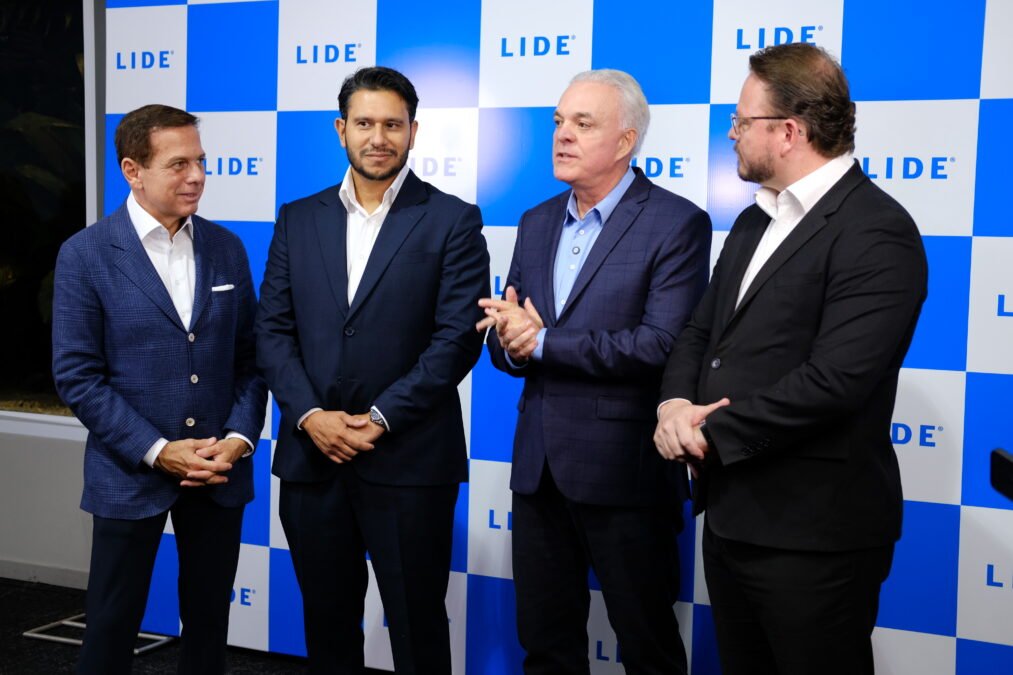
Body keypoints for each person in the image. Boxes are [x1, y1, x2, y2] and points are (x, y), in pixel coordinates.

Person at [654, 43, 928, 675]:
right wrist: (673, 405)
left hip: (815, 535)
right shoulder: (755, 221)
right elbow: (700, 332)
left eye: (741, 121)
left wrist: (709, 434)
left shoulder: (877, 229)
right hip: (733, 519)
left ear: (789, 131)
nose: (731, 133)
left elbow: (837, 381)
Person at [256, 66, 489, 674]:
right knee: (327, 626)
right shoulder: (298, 217)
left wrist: (380, 418)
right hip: (313, 461)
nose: (378, 138)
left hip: (410, 461)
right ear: (341, 130)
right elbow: (272, 331)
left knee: (417, 626)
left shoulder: (453, 219)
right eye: (364, 123)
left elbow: (456, 341)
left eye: (392, 124)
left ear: (413, 131)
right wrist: (311, 416)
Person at [479, 69, 712, 675]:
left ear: (626, 140)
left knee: (648, 647)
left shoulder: (676, 222)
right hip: (539, 472)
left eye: (583, 124)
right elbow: (511, 340)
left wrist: (543, 342)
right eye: (559, 121)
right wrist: (512, 341)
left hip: (625, 472)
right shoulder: (535, 221)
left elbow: (660, 344)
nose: (563, 135)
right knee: (545, 645)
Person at [52, 104, 267, 675]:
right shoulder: (85, 254)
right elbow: (77, 376)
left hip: (217, 473)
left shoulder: (227, 248)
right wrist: (157, 450)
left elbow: (251, 360)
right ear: (133, 170)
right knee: (110, 628)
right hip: (128, 473)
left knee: (208, 628)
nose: (197, 176)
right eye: (178, 164)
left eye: (201, 161)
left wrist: (239, 439)